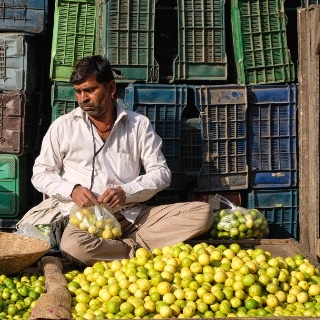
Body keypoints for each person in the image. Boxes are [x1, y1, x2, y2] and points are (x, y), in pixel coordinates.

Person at [21, 55, 213, 266]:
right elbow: (40, 173)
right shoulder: (63, 126)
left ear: (111, 88)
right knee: (74, 248)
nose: (83, 98)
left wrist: (126, 192)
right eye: (78, 91)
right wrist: (72, 190)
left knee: (202, 214)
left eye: (90, 90)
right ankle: (134, 249)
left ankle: (116, 248)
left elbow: (161, 173)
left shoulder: (138, 125)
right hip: (85, 221)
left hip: (130, 216)